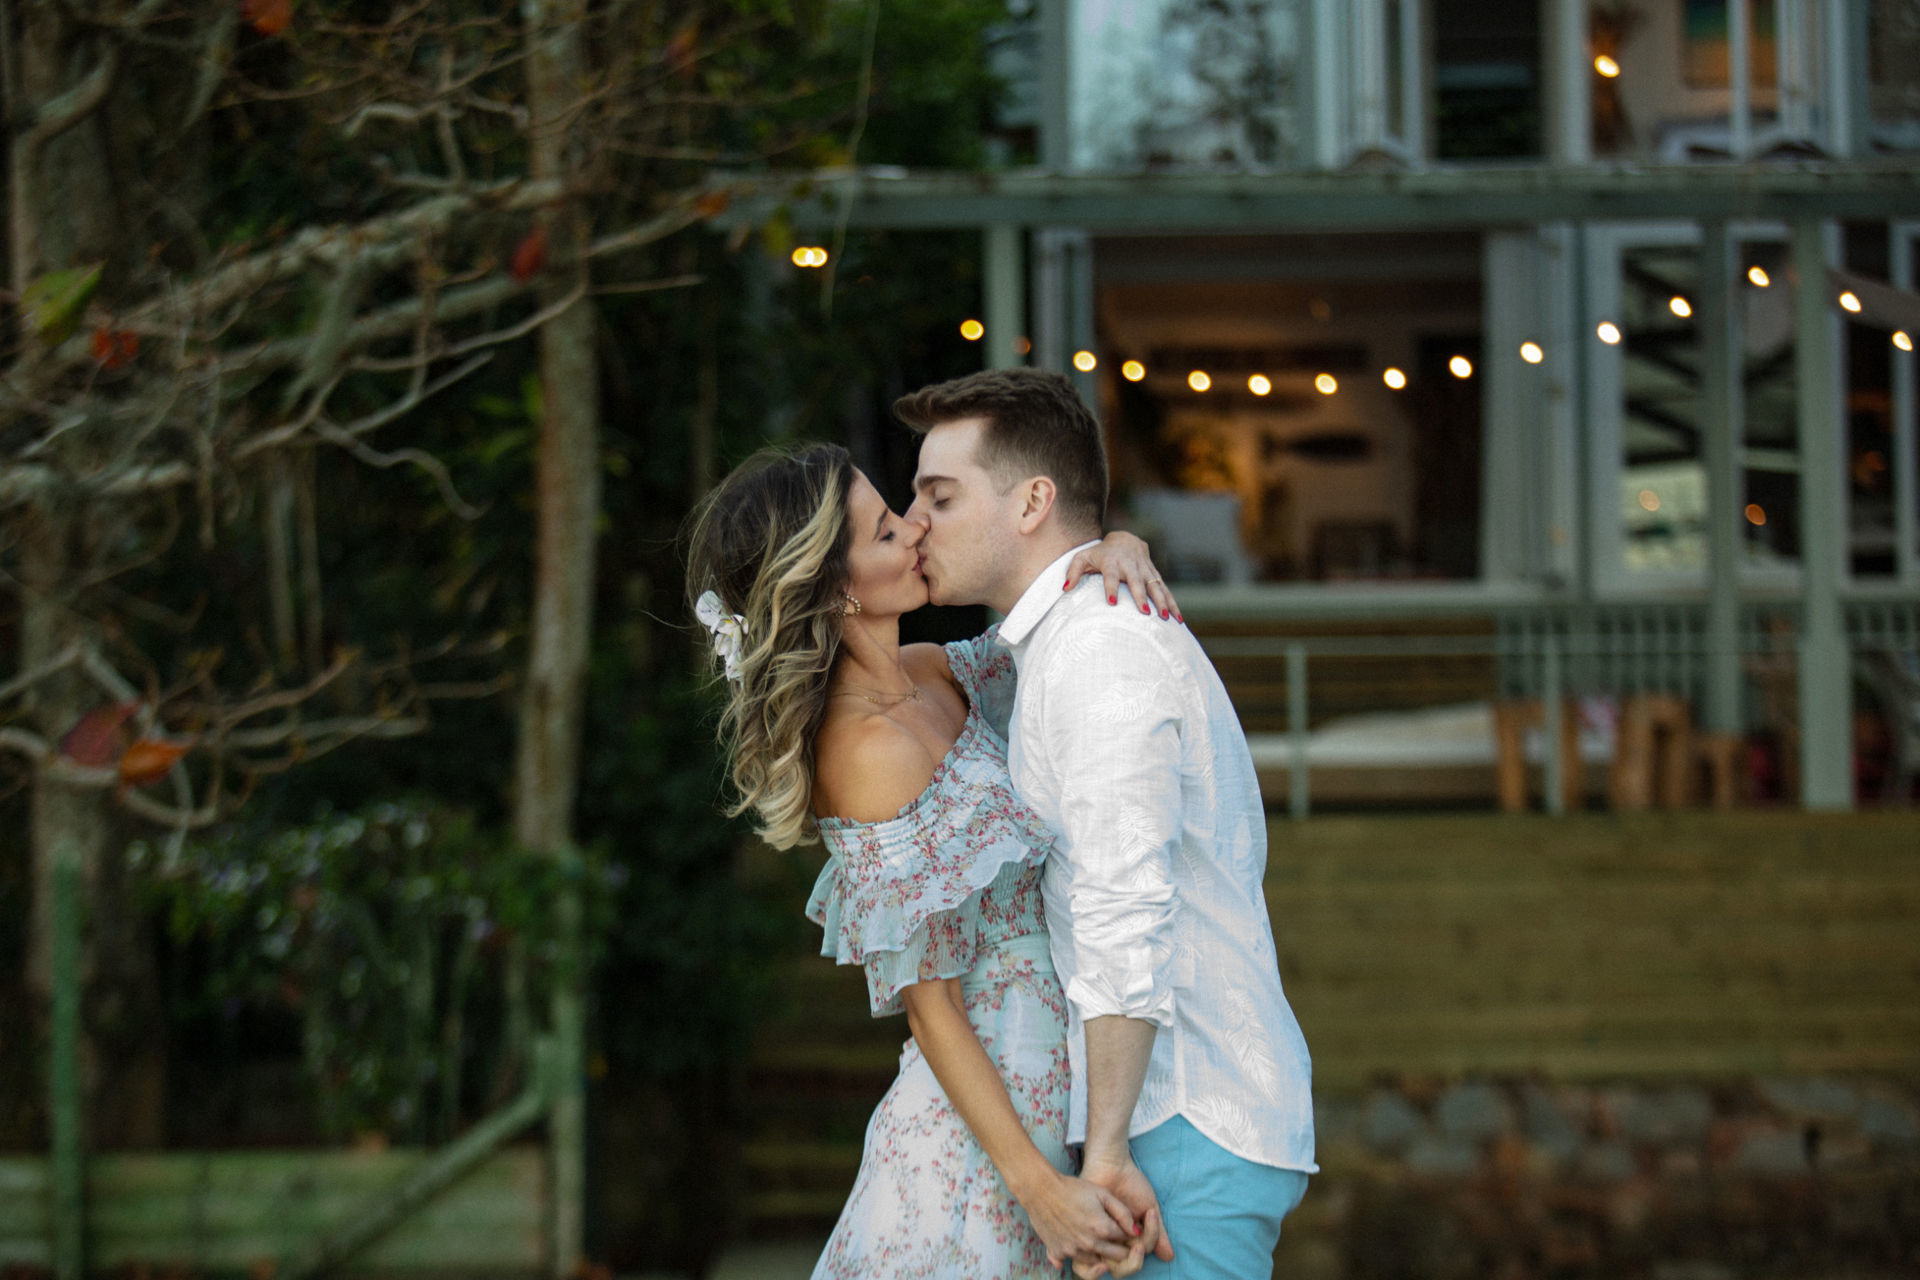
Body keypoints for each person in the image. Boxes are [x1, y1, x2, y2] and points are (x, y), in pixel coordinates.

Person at [685, 442, 1184, 1279]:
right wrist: (1039, 1193)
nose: (916, 529)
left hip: (1053, 1077)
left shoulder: (932, 673)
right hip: (978, 1147)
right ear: (837, 588)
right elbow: (933, 1008)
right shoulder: (864, 753)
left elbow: (1047, 625)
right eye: (886, 531)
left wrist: (1113, 550)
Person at [899, 369, 1318, 1279]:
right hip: (1164, 1119)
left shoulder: (1098, 651)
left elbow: (1125, 905)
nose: (916, 521)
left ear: (1032, 502)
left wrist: (1110, 1152)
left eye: (941, 495)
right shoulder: (1054, 641)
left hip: (1181, 1121)